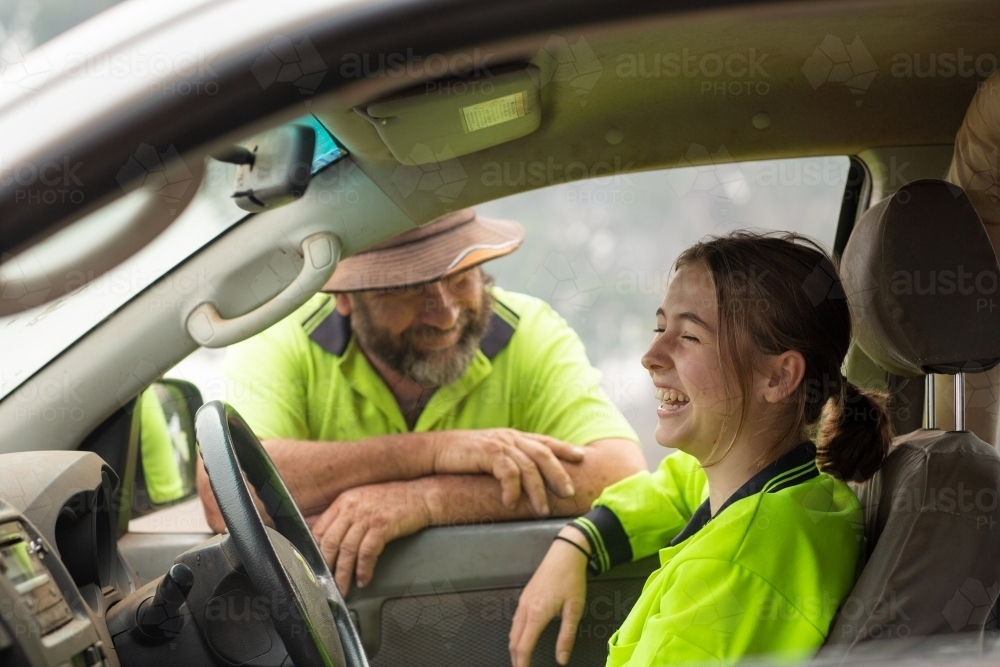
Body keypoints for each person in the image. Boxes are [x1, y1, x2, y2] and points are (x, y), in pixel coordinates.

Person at [198, 208, 647, 593]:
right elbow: (226, 493)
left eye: (460, 277)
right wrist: (434, 451)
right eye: (409, 288)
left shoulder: (527, 329)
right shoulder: (285, 336)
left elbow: (619, 472)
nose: (447, 313)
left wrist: (426, 499)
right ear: (344, 298)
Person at [509, 231, 891, 667]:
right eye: (660, 327)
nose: (651, 355)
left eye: (689, 336)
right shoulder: (787, 489)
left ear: (779, 377)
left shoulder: (738, 562)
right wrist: (581, 538)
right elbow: (677, 487)